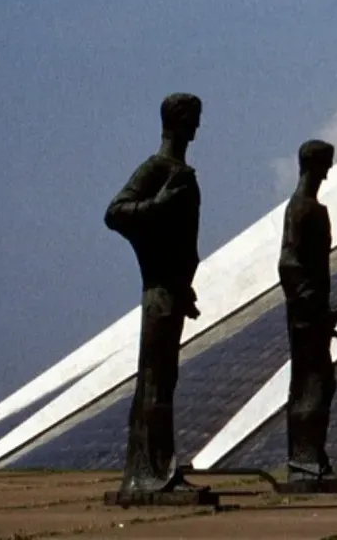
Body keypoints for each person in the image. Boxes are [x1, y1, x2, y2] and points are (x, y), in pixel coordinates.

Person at [105, 92, 206, 496]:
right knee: (154, 380)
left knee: (164, 381)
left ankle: (157, 468)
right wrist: (161, 204)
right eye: (194, 119)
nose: (198, 127)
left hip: (174, 291)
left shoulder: (181, 171)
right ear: (178, 121)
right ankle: (152, 474)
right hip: (158, 290)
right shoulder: (157, 168)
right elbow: (116, 212)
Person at [279, 139, 337, 482]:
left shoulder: (310, 208)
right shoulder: (302, 209)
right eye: (326, 164)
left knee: (319, 381)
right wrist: (313, 309)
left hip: (313, 311)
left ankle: (312, 455)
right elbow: (288, 263)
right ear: (313, 166)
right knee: (314, 382)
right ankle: (305, 459)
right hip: (307, 314)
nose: (329, 171)